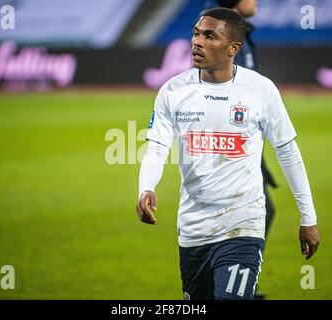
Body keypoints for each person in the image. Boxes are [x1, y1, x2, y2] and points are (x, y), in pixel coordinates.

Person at [136, 8, 320, 300]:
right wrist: (146, 187)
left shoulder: (260, 90)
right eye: (196, 34)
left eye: (210, 36)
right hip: (193, 229)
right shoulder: (173, 91)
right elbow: (157, 145)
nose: (197, 42)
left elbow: (288, 152)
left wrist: (308, 217)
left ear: (234, 47)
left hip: (242, 226)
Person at [216, 0, 275, 299]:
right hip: (232, 150)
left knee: (255, 214)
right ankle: (235, 289)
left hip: (245, 145)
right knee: (246, 216)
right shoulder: (219, 34)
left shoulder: (240, 33)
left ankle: (238, 287)